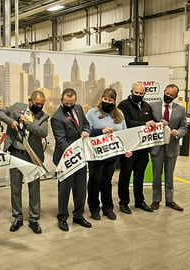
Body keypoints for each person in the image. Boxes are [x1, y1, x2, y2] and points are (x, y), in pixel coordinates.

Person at [0, 90, 49, 234]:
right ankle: (17, 217)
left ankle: (34, 219)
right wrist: (11, 121)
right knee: (15, 187)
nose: (39, 107)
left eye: (42, 105)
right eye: (37, 104)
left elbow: (43, 132)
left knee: (34, 188)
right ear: (29, 101)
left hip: (33, 156)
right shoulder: (17, 107)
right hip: (16, 154)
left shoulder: (43, 116)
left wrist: (28, 123)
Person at [86, 89, 132, 221]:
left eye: (110, 100)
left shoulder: (119, 114)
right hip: (96, 154)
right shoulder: (92, 113)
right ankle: (94, 208)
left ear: (114, 101)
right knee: (95, 181)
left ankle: (108, 208)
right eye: (105, 99)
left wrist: (126, 149)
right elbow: (86, 131)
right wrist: (100, 131)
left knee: (107, 182)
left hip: (112, 155)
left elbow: (124, 133)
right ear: (101, 99)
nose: (107, 102)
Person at [51, 88, 92, 232]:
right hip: (65, 157)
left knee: (81, 189)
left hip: (80, 157)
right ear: (62, 100)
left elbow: (86, 124)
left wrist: (86, 130)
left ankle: (79, 216)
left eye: (72, 103)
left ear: (75, 100)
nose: (69, 105)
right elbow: (61, 141)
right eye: (66, 103)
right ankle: (62, 218)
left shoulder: (79, 109)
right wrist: (76, 151)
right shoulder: (56, 117)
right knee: (64, 190)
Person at [117, 83, 156, 214]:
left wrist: (159, 123)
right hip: (129, 148)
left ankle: (140, 201)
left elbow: (152, 122)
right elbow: (126, 123)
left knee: (139, 176)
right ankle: (123, 202)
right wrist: (144, 124)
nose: (138, 95)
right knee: (125, 176)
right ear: (131, 91)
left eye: (141, 94)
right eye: (136, 93)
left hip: (143, 148)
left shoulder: (146, 106)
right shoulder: (123, 105)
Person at [150, 84, 187, 211]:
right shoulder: (153, 106)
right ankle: (156, 200)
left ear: (176, 96)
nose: (168, 96)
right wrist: (156, 124)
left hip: (172, 147)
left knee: (169, 175)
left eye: (171, 95)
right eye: (167, 93)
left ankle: (170, 200)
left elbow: (184, 127)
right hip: (157, 147)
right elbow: (147, 124)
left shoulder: (181, 109)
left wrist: (178, 133)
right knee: (156, 175)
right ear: (164, 92)